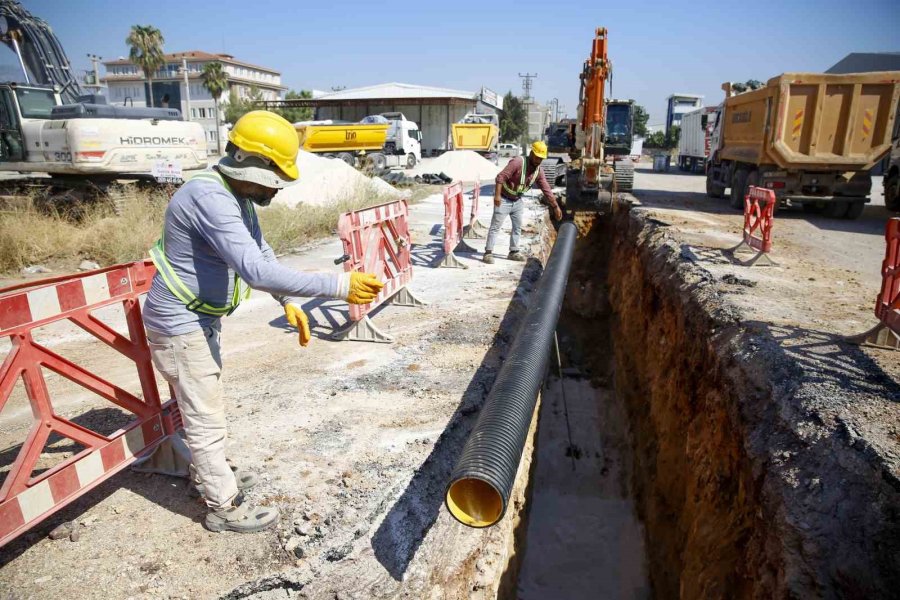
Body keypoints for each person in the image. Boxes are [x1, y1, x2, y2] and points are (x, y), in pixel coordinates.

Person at [143, 110, 384, 533]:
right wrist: (338, 285)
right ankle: (223, 506)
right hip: (180, 324)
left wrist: (288, 301)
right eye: (274, 179)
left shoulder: (234, 196)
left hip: (198, 321)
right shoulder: (210, 198)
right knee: (204, 415)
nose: (276, 189)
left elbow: (261, 252)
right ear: (250, 164)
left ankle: (210, 472)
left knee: (204, 404)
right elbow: (254, 271)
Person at [484, 141, 563, 264]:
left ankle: (513, 252)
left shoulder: (538, 171)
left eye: (541, 159)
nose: (538, 161)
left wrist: (555, 206)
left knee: (517, 227)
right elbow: (500, 177)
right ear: (531, 154)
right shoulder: (518, 162)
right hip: (504, 199)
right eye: (537, 157)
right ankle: (488, 253)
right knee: (495, 226)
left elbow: (546, 189)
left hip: (517, 201)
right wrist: (497, 196)